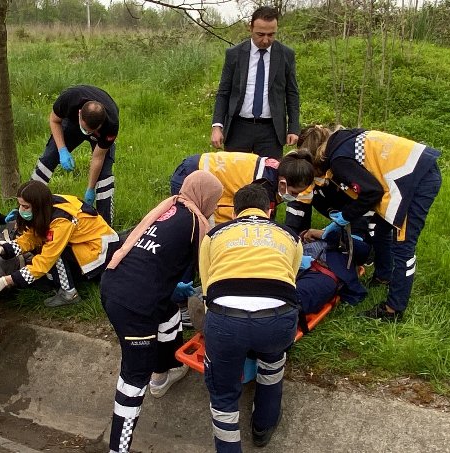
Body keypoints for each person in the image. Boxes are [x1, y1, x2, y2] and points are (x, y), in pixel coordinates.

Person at [101, 170, 223, 453]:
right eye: (215, 201)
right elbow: (208, 273)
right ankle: (118, 448)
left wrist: (173, 289)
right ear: (205, 198)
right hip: (135, 305)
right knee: (133, 377)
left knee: (168, 310)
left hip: (114, 283)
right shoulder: (196, 222)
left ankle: (166, 370)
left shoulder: (170, 208)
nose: (215, 207)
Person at [300, 125, 442, 321]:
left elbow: (371, 192)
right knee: (381, 229)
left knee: (403, 246)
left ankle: (393, 309)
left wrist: (345, 216)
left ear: (315, 158)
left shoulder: (339, 160)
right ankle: (384, 275)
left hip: (416, 181)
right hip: (410, 173)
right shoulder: (342, 141)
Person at [199, 184, 302, 452]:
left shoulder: (214, 235)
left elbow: (208, 288)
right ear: (270, 210)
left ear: (234, 212)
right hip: (277, 318)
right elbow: (290, 280)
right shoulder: (291, 236)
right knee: (272, 361)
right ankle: (263, 426)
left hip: (226, 320)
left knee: (222, 394)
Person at [0, 180, 120, 307]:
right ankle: (63, 280)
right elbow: (30, 238)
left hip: (99, 251)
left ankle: (69, 293)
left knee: (54, 254)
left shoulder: (61, 221)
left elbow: (45, 260)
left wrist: (6, 281)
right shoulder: (47, 204)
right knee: (45, 248)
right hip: (86, 241)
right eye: (20, 205)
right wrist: (1, 249)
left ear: (37, 206)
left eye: (25, 207)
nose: (21, 210)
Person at [210, 6, 300, 159]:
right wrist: (217, 126)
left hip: (271, 131)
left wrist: (293, 127)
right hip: (238, 128)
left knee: (268, 179)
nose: (265, 40)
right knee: (235, 179)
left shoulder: (286, 55)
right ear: (250, 27)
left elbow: (292, 93)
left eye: (271, 34)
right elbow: (224, 92)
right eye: (260, 34)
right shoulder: (234, 54)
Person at [30, 84, 119, 224]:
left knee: (104, 177)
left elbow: (98, 157)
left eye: (92, 131)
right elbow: (54, 120)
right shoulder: (69, 99)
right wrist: (62, 150)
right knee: (48, 158)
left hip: (99, 132)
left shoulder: (111, 124)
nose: (88, 134)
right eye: (85, 129)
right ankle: (28, 207)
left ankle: (106, 226)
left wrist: (90, 189)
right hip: (72, 125)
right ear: (79, 114)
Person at [169, 150, 314, 226]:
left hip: (196, 167)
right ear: (283, 184)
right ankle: (186, 275)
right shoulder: (263, 187)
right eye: (294, 193)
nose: (294, 197)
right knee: (192, 228)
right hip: (190, 177)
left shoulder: (278, 170)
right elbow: (245, 219)